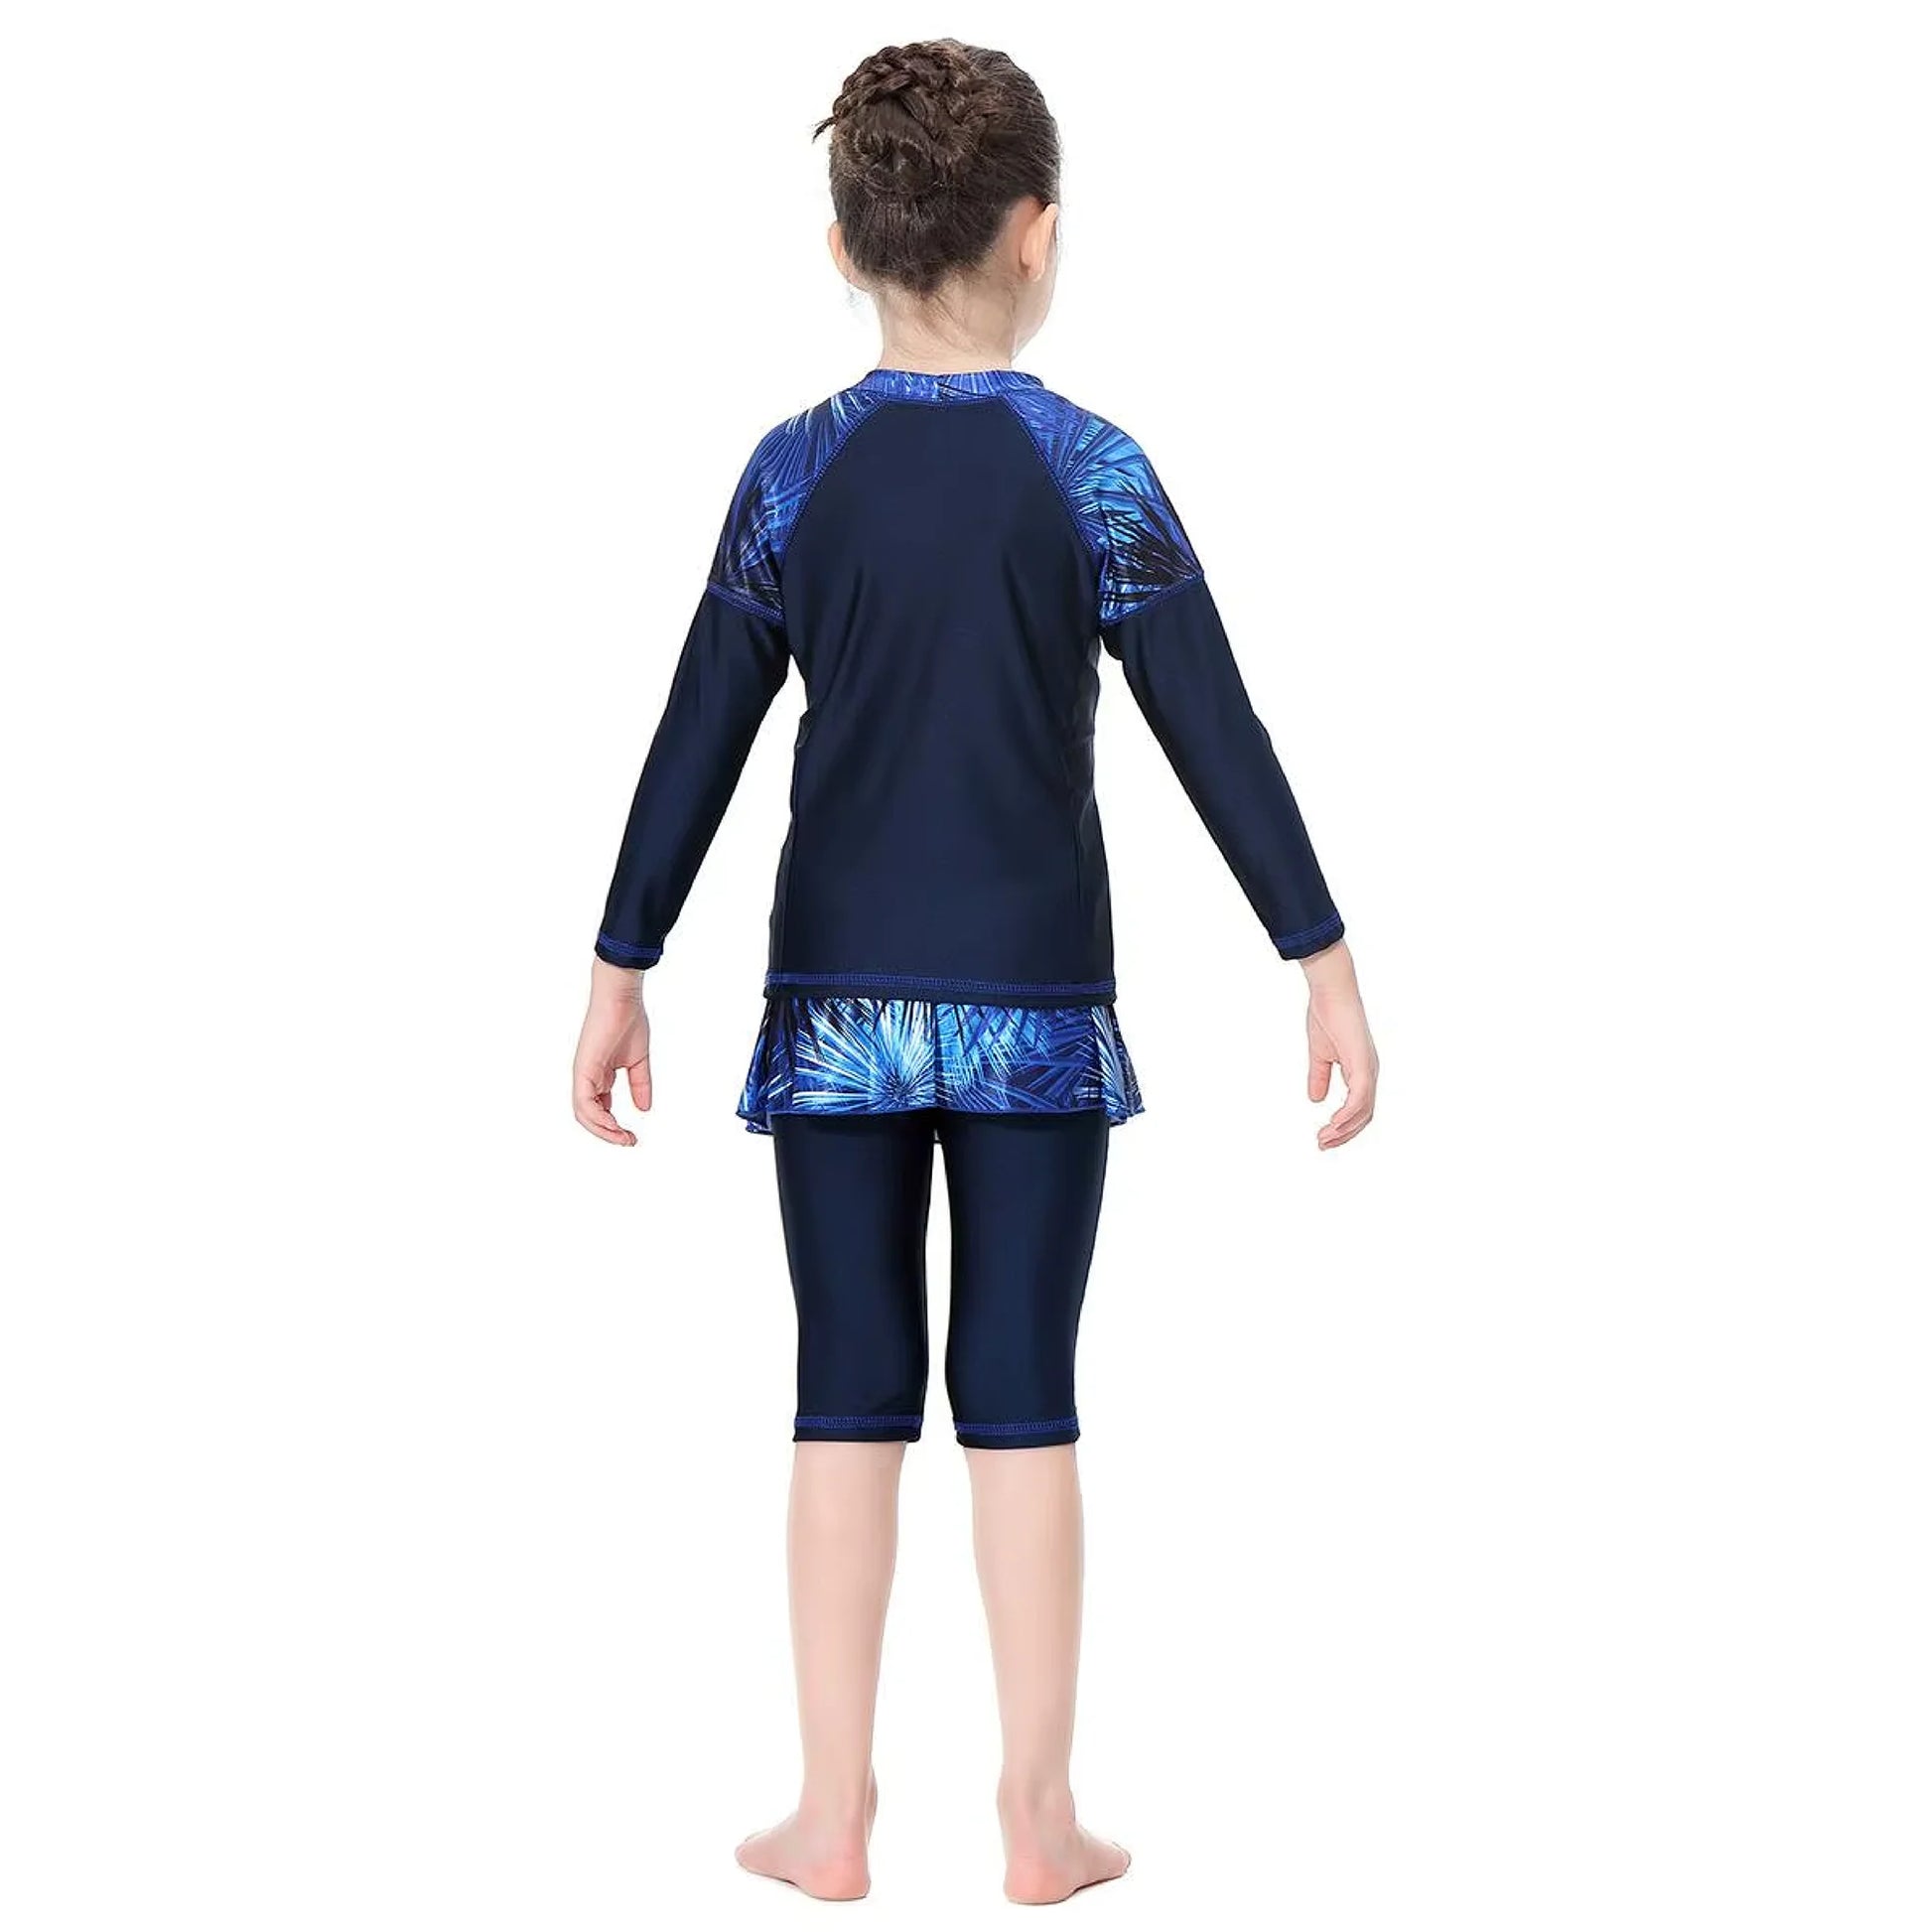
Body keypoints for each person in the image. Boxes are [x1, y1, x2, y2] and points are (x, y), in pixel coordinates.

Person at [571, 38, 1378, 1905]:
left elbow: (694, 737)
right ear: (1038, 234)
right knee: (1021, 1383)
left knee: (843, 1382)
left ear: (838, 247)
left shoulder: (792, 473)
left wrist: (622, 959)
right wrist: (1317, 952)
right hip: (1034, 1016)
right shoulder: (1090, 470)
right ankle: (1036, 1812)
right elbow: (1215, 730)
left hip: (835, 1016)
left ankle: (828, 1810)